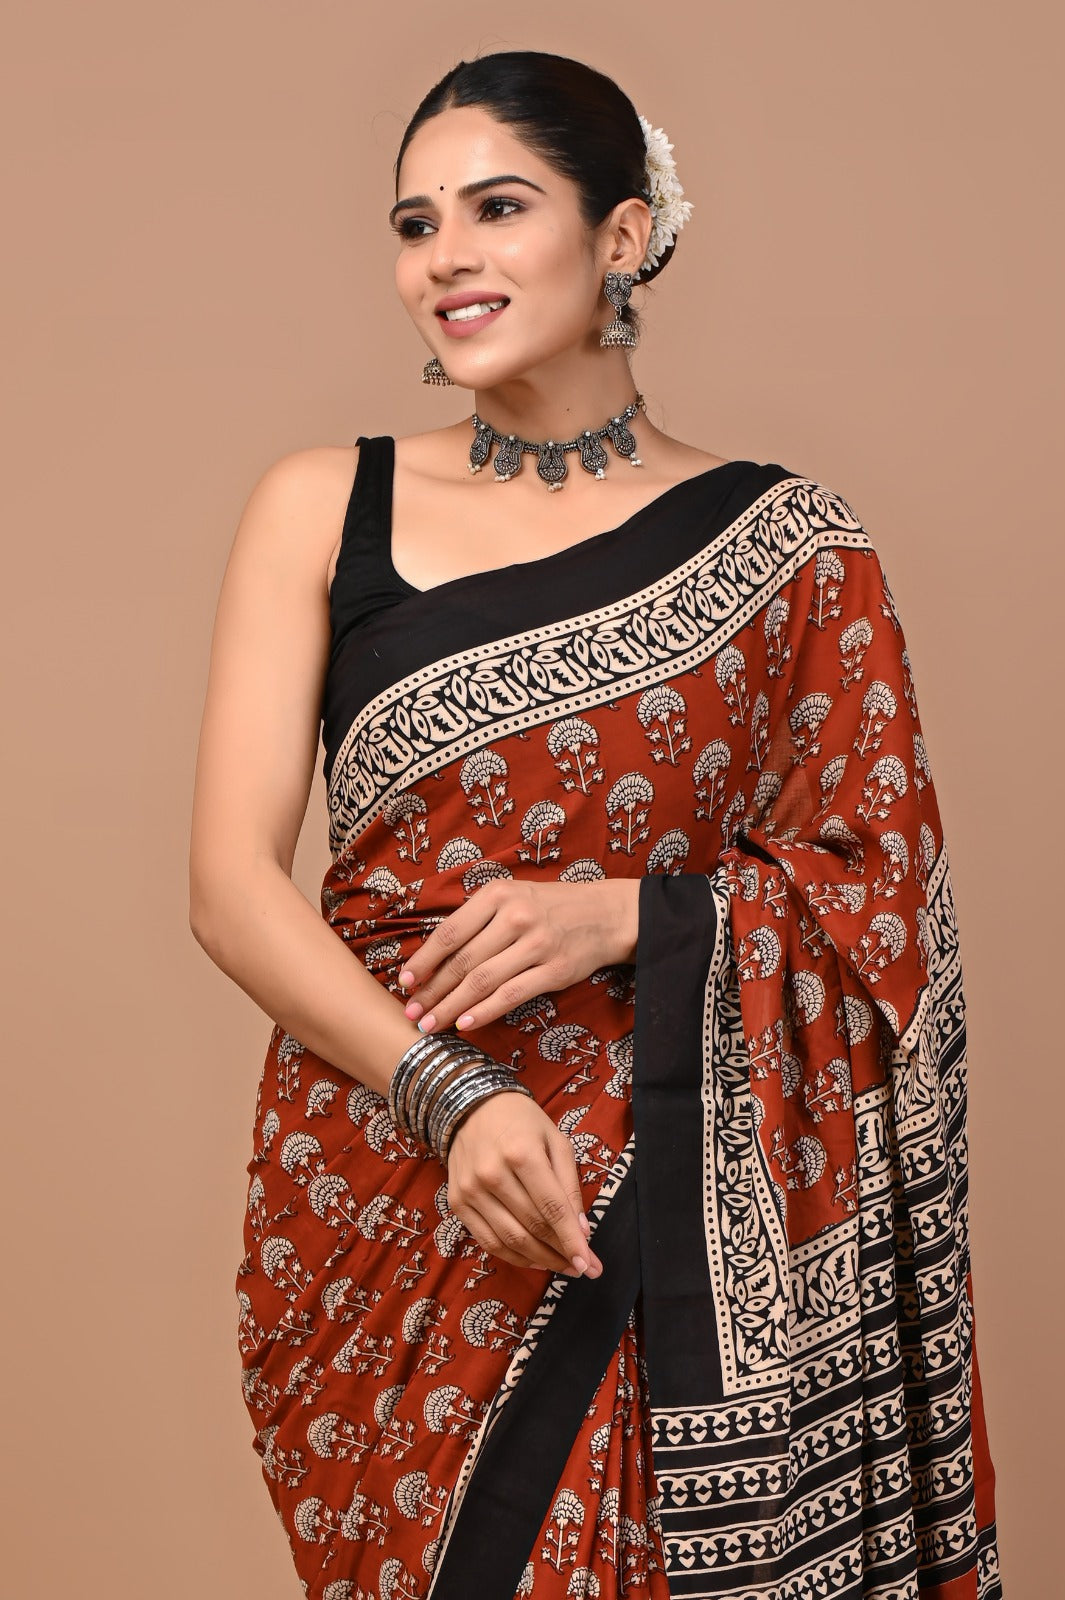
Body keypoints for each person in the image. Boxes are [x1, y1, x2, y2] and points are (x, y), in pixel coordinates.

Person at [189, 48, 1001, 1600]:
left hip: (672, 1196)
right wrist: (450, 1098)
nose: (446, 258)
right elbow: (230, 885)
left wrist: (637, 914)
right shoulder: (320, 505)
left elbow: (884, 900)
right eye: (415, 223)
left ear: (621, 234)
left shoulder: (790, 551)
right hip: (398, 1179)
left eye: (497, 208)